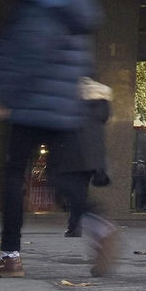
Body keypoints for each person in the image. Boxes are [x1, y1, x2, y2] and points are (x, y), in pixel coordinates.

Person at [0, 0, 120, 278]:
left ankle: (9, 256)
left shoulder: (40, 7)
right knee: (62, 178)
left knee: (13, 176)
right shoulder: (77, 8)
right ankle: (99, 227)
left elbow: (28, 57)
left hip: (29, 104)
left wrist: (2, 98)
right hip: (63, 106)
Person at [54, 79, 114, 237]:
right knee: (80, 191)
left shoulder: (76, 100)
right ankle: (76, 224)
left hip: (74, 151)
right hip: (92, 156)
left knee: (70, 189)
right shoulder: (102, 104)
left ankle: (79, 223)